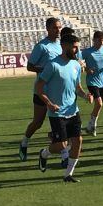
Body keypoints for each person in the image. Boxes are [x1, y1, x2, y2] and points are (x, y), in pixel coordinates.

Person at [36, 33, 93, 183]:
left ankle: (68, 174)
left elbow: (77, 88)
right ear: (64, 46)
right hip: (57, 113)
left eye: (77, 47)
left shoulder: (76, 65)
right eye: (74, 47)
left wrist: (86, 95)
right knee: (61, 145)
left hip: (73, 111)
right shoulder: (53, 65)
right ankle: (44, 153)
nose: (77, 50)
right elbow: (39, 88)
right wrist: (49, 103)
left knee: (78, 141)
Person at [18, 17, 62, 162]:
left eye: (59, 27)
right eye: (55, 28)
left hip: (57, 91)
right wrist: (46, 69)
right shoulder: (41, 46)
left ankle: (62, 151)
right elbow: (30, 66)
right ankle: (24, 142)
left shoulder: (61, 45)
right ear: (48, 29)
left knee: (60, 122)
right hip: (42, 90)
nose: (58, 30)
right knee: (38, 122)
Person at [81, 31, 103, 136]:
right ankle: (93, 126)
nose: (102, 42)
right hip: (92, 81)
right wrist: (85, 68)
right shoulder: (88, 52)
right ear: (94, 40)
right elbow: (77, 60)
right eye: (100, 40)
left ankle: (90, 126)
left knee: (99, 105)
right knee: (99, 103)